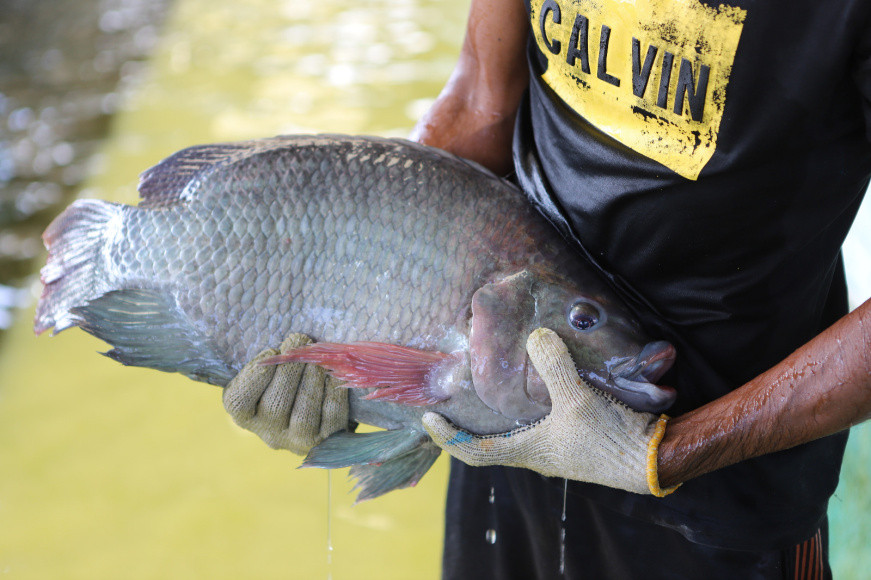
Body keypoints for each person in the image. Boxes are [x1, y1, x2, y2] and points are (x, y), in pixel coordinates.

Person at [222, 0, 871, 577]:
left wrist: (668, 452)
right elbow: (480, 101)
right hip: (506, 431)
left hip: (723, 496)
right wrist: (349, 344)